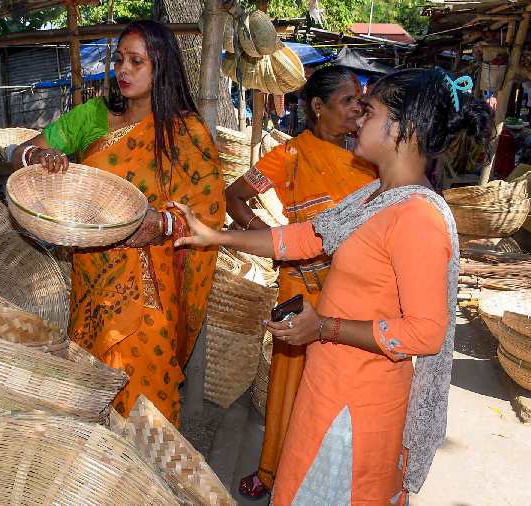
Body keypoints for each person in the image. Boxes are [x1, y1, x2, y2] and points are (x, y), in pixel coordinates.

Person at [174, 67, 491, 504]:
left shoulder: (419, 218)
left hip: (358, 407)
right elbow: (305, 237)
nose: (359, 118)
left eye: (371, 111)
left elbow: (425, 333)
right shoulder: (372, 197)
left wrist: (324, 328)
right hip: (327, 384)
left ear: (403, 128)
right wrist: (218, 237)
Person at [9, 20, 225, 425]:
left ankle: (147, 470)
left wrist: (162, 225)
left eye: (136, 62)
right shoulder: (93, 115)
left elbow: (208, 211)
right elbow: (20, 153)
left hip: (151, 284)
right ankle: (103, 469)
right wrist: (39, 159)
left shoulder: (187, 132)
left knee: (146, 378)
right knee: (91, 378)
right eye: (119, 60)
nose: (123, 70)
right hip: (92, 274)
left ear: (161, 67)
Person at [225, 65, 377, 500]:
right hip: (298, 288)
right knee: (287, 384)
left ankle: (321, 476)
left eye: (360, 100)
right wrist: (273, 243)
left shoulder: (369, 159)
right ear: (317, 107)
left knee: (334, 390)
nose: (357, 108)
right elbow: (233, 196)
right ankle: (271, 469)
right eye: (348, 100)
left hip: (350, 293)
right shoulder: (288, 156)